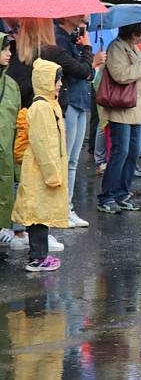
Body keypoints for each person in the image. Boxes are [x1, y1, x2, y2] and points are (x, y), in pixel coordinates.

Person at [6, 18, 65, 252]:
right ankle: (29, 241)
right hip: (28, 130)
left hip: (20, 120)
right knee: (31, 194)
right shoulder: (39, 62)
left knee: (25, 188)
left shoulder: (20, 56)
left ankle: (21, 232)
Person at [12, 59, 69, 271]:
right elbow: (43, 144)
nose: (60, 84)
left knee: (40, 214)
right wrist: (52, 173)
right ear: (46, 80)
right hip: (41, 172)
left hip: (43, 171)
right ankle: (37, 258)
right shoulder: (41, 107)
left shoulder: (48, 105)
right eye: (57, 79)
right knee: (37, 215)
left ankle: (39, 256)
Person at [96, 23, 141, 213]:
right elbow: (120, 76)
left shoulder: (134, 49)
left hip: (136, 111)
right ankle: (107, 196)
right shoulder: (116, 48)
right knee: (120, 152)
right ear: (132, 33)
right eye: (140, 33)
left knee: (133, 152)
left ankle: (122, 193)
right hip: (121, 109)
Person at [55, 15, 105, 227]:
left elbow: (87, 75)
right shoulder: (59, 39)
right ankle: (60, 209)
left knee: (73, 160)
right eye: (82, 12)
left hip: (81, 101)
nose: (87, 16)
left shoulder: (74, 38)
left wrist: (90, 63)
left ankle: (67, 207)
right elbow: (77, 72)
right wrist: (90, 57)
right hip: (69, 102)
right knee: (64, 159)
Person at [0, 34, 20, 247]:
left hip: (6, 149)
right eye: (4, 49)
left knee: (5, 187)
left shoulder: (11, 84)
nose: (9, 53)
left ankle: (2, 226)